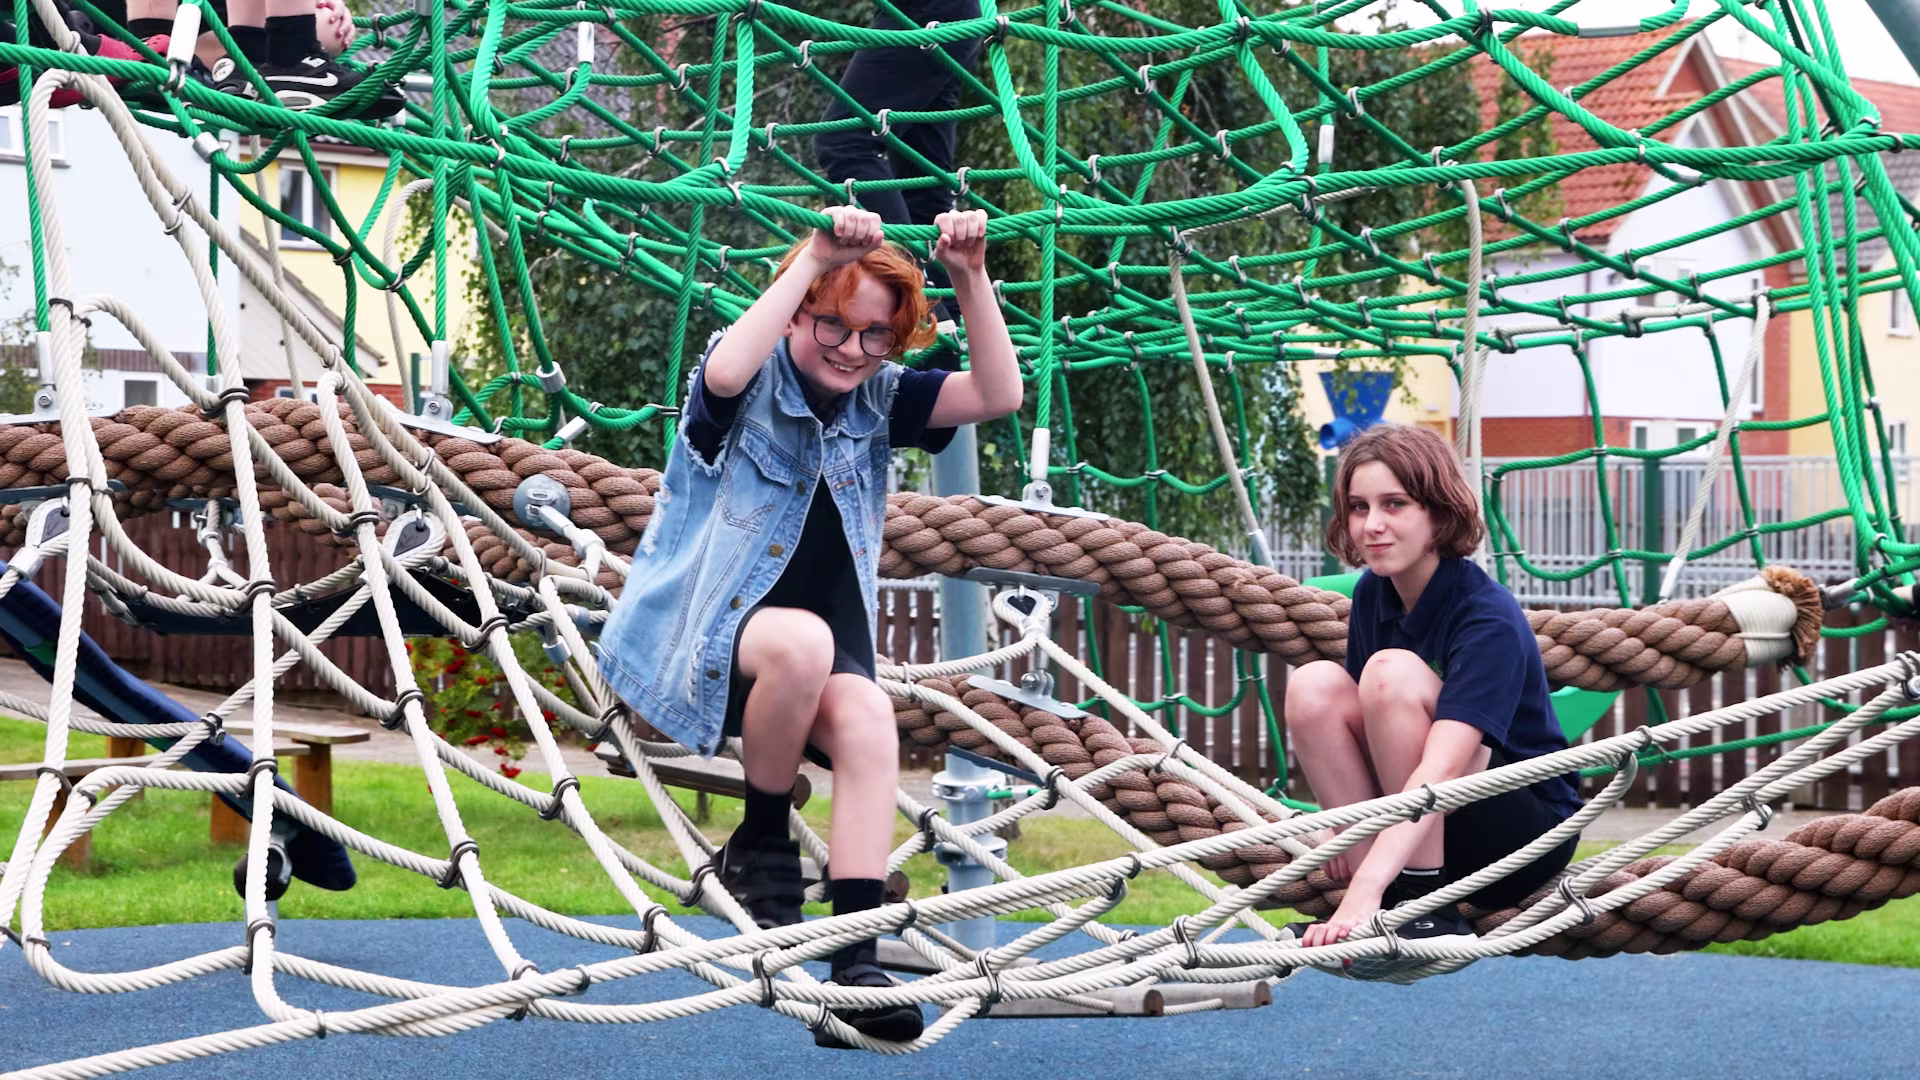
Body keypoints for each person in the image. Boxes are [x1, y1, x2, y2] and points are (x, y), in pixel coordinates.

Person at [595, 204, 1019, 1046]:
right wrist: (817, 255)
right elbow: (722, 371)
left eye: (876, 338)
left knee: (866, 713)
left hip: (800, 677)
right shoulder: (747, 384)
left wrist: (970, 278)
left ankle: (854, 963)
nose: (852, 351)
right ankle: (762, 842)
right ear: (799, 310)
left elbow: (999, 394)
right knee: (806, 642)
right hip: (698, 651)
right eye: (834, 324)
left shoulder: (880, 399)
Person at [1282, 424, 1583, 977]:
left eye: (1394, 504)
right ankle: (1387, 883)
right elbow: (1367, 737)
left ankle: (1421, 906)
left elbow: (1444, 768)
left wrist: (1366, 890)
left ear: (1439, 517)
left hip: (1520, 834)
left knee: (1389, 673)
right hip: (1426, 822)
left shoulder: (1486, 615)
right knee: (1314, 683)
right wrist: (1338, 836)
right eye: (1358, 507)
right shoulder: (1376, 592)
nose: (1371, 525)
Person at [814, 1, 982, 337]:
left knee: (844, 141)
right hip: (950, 16)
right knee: (923, 190)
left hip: (926, 12)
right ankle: (946, 335)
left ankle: (918, 303)